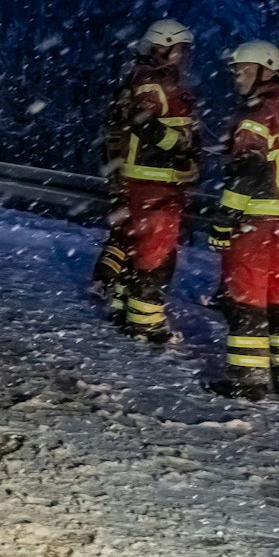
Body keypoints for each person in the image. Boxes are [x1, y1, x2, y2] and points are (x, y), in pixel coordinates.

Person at [208, 41, 279, 398]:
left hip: (257, 221)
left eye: (245, 70)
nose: (238, 77)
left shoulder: (257, 112)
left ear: (267, 70)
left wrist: (225, 214)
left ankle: (249, 379)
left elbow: (250, 166)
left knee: (246, 299)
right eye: (236, 71)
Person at [94, 20, 202, 341]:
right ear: (163, 46)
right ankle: (145, 322)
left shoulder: (153, 79)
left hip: (149, 182)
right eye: (179, 50)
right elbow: (144, 123)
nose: (182, 57)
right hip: (156, 183)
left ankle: (122, 305)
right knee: (157, 255)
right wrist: (181, 146)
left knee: (137, 246)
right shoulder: (152, 82)